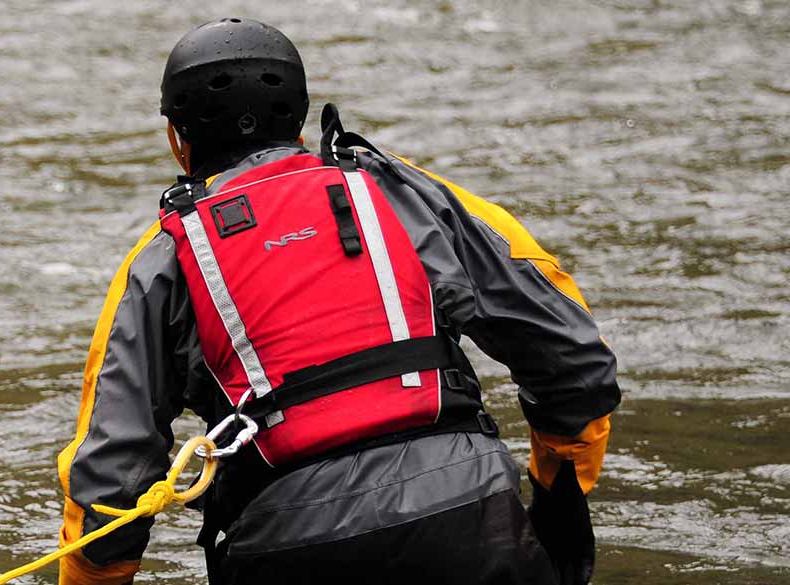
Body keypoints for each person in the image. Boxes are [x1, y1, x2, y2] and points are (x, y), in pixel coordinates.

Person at [55, 18, 619, 585]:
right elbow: (572, 355)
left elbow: (109, 477)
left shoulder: (161, 262)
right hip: (473, 526)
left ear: (179, 139)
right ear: (300, 116)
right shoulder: (408, 195)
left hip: (285, 549)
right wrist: (558, 501)